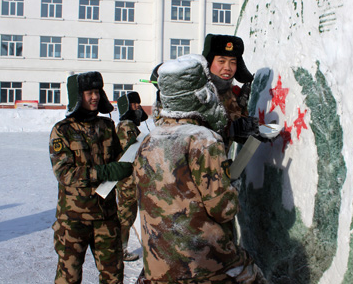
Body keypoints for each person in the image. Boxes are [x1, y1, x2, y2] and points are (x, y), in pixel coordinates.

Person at [133, 54, 267, 284]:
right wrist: (232, 185)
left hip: (158, 265)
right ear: (200, 95)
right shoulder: (204, 140)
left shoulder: (148, 140)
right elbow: (223, 209)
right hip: (200, 266)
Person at [49, 71, 133, 284]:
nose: (94, 97)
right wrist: (103, 172)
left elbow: (119, 160)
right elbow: (64, 173)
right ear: (77, 95)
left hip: (106, 216)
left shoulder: (106, 126)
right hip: (73, 219)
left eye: (97, 92)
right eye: (88, 93)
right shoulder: (62, 131)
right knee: (69, 277)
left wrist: (132, 150)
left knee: (113, 276)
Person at [202, 34, 261, 149]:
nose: (228, 67)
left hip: (218, 164)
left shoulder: (234, 95)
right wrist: (229, 127)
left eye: (233, 62)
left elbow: (241, 136)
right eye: (221, 61)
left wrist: (257, 130)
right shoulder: (193, 90)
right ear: (208, 62)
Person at [115, 91, 148, 262]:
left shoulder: (130, 126)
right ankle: (120, 251)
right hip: (129, 181)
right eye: (135, 104)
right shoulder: (126, 126)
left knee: (128, 216)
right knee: (125, 217)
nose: (138, 107)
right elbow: (130, 153)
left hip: (132, 180)